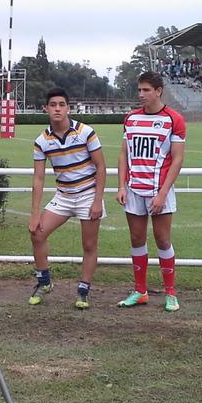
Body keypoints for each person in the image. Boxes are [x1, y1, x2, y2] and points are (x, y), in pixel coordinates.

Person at [28, 87, 106, 309]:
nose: (57, 109)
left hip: (87, 194)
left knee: (89, 244)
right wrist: (35, 214)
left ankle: (83, 290)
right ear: (45, 109)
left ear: (68, 108)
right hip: (63, 196)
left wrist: (98, 200)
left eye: (62, 105)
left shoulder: (85, 132)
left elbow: (101, 167)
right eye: (53, 105)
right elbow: (39, 179)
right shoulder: (41, 140)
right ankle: (44, 282)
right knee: (37, 233)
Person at [116, 71, 186, 312]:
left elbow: (177, 160)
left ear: (158, 91)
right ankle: (140, 291)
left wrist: (163, 193)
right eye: (139, 90)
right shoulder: (131, 118)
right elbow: (124, 153)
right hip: (134, 190)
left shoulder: (173, 119)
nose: (141, 94)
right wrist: (121, 186)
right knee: (136, 239)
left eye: (146, 90)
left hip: (159, 191)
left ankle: (171, 293)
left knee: (163, 240)